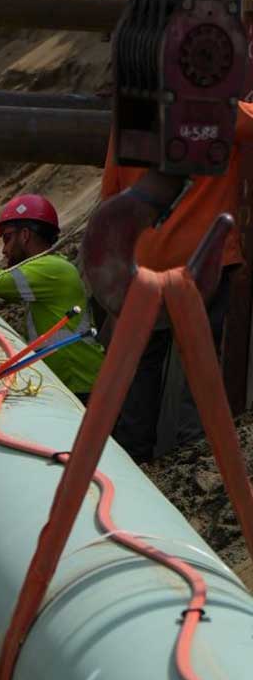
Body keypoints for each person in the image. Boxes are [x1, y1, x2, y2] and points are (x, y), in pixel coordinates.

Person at [98, 103, 253, 461]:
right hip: (206, 262)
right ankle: (191, 453)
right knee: (199, 358)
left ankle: (133, 454)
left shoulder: (132, 111)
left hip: (143, 262)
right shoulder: (223, 109)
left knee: (140, 360)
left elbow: (112, 193)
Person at [0, 194, 104, 403]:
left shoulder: (52, 268)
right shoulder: (47, 270)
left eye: (7, 238)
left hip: (79, 382)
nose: (4, 249)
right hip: (75, 381)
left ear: (25, 235)